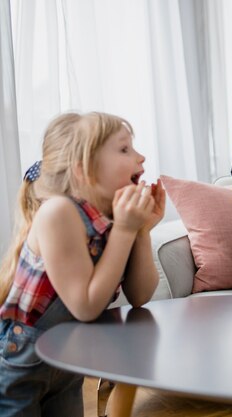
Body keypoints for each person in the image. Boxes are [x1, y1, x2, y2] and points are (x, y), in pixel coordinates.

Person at [0, 112, 165, 416]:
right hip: (19, 365)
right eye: (124, 149)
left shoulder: (112, 219)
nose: (141, 158)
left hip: (66, 360)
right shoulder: (57, 213)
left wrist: (140, 230)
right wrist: (126, 231)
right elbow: (85, 307)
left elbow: (141, 295)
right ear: (85, 170)